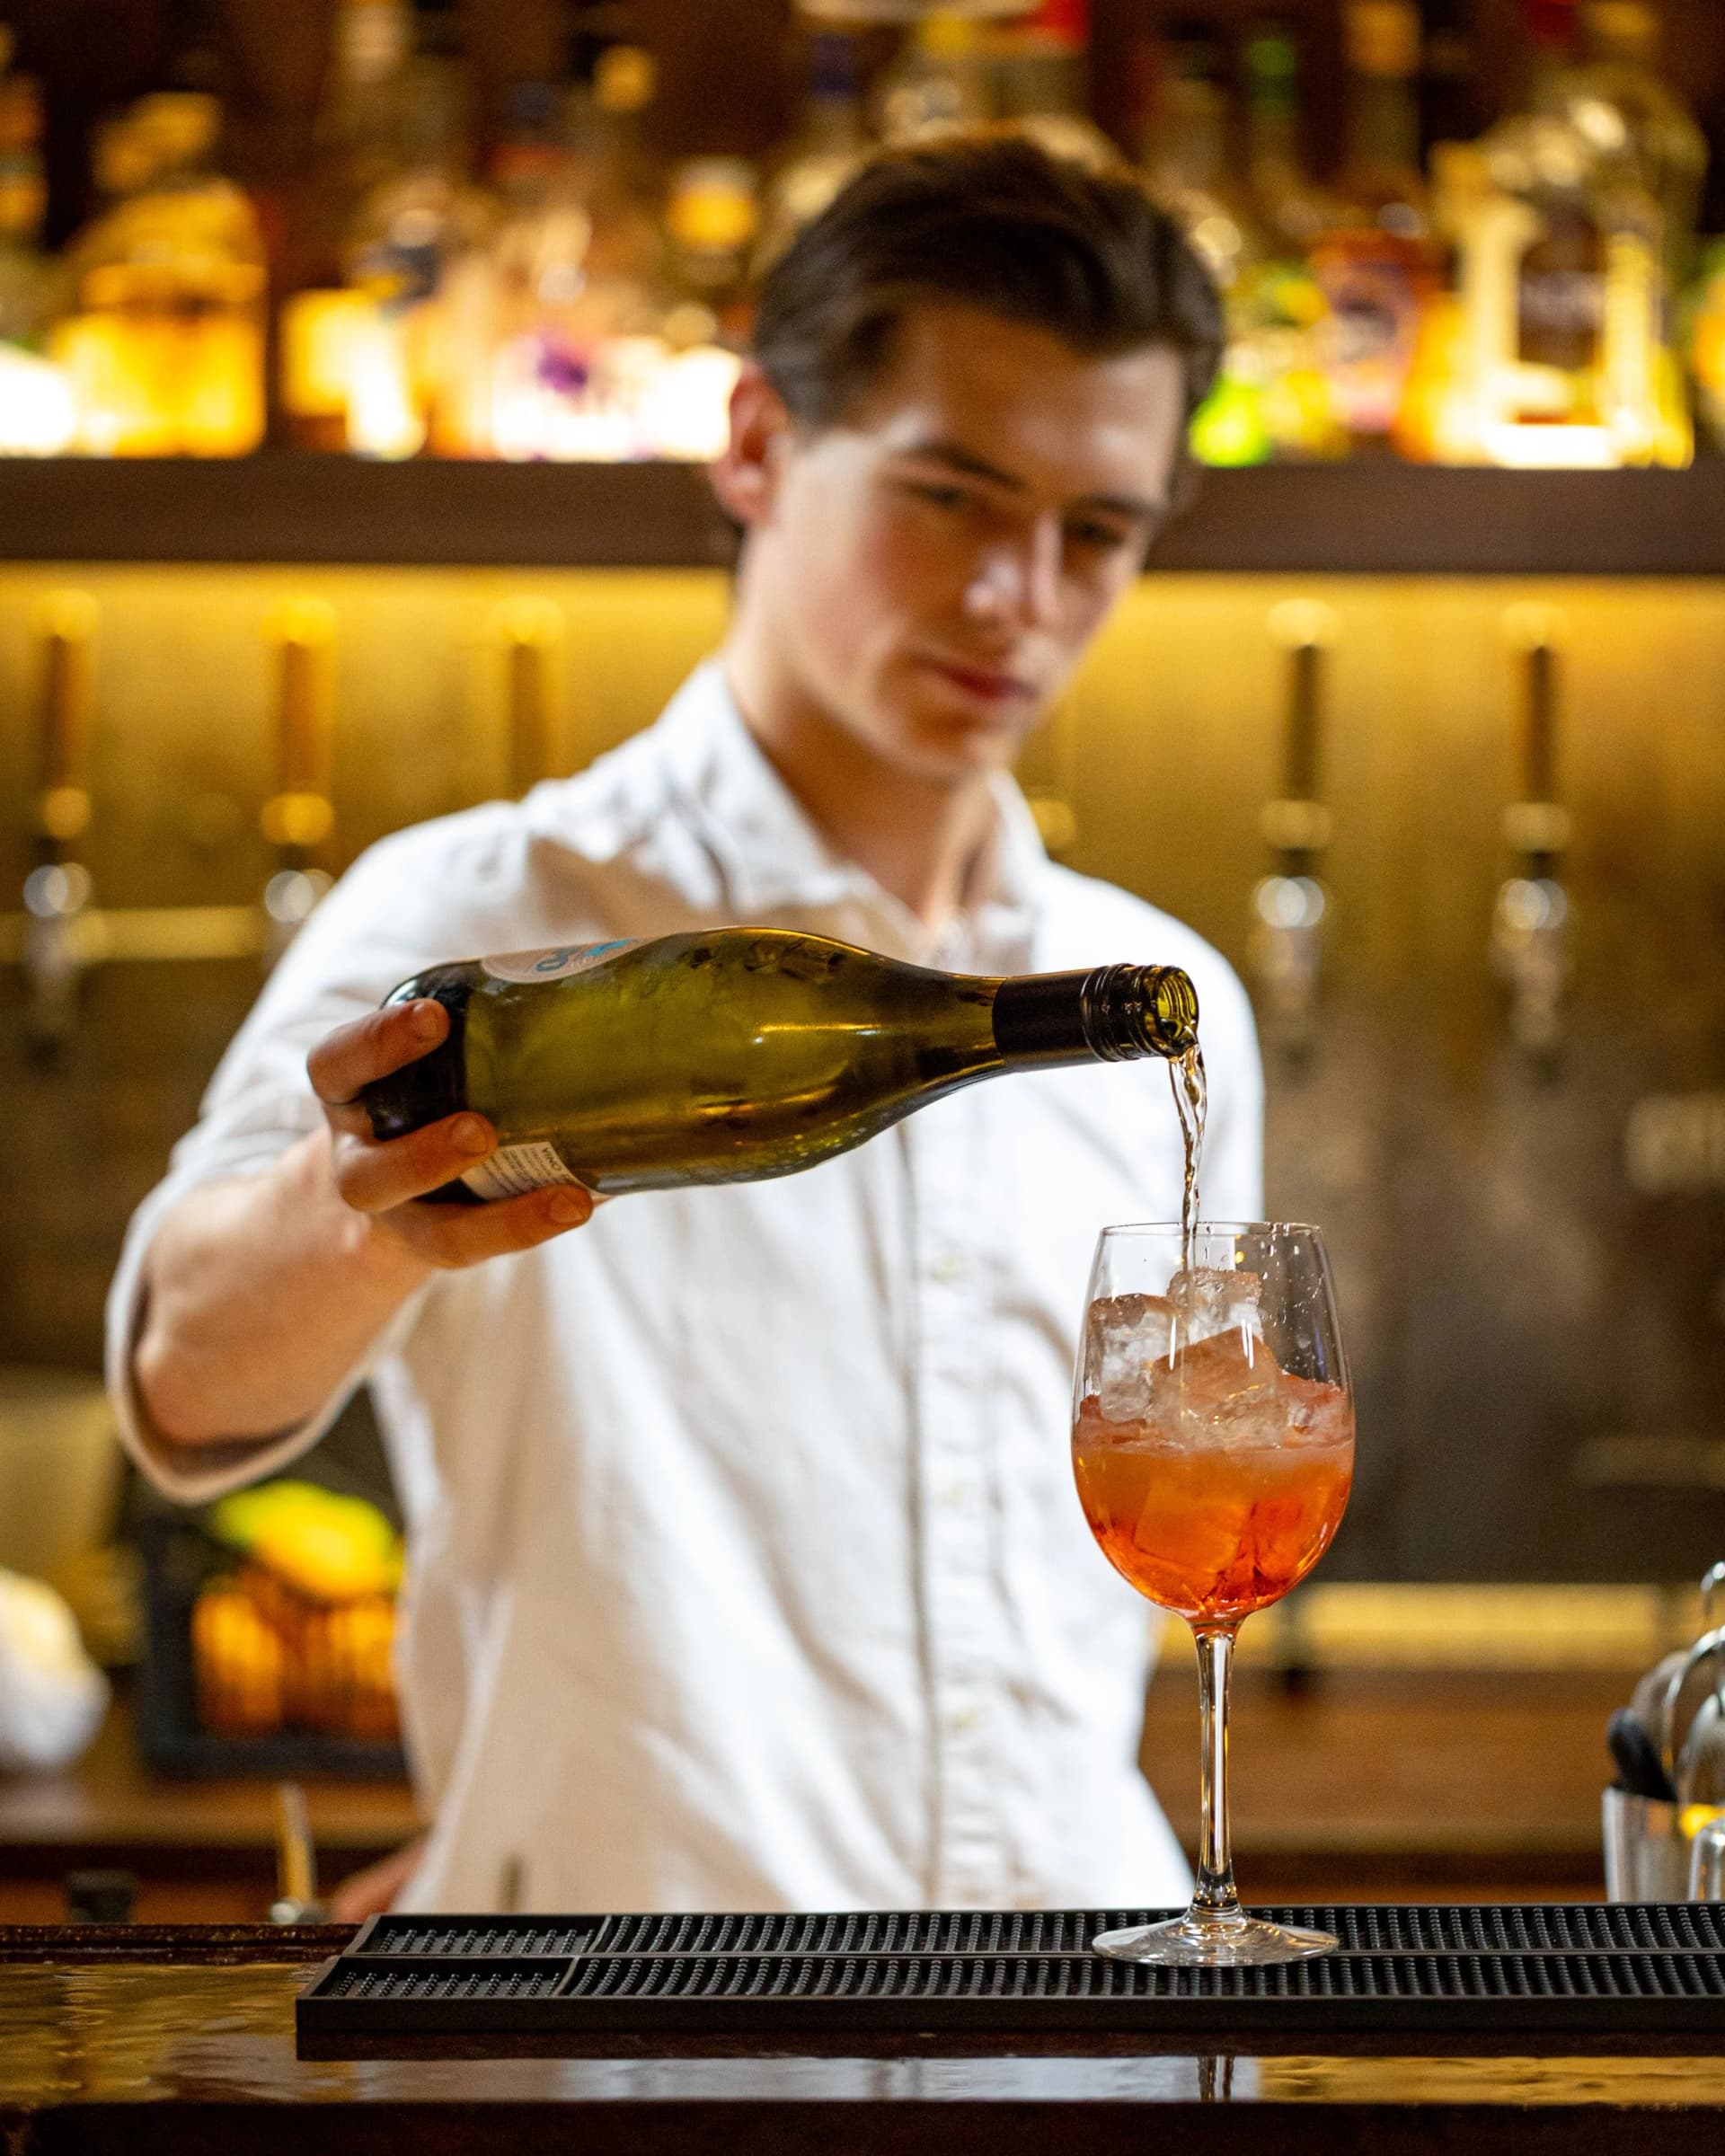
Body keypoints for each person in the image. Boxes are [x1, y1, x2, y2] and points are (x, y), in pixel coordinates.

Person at [108, 135, 1263, 1916]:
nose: (1017, 599)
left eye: (1094, 532)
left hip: (1077, 2032)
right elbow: (180, 1383)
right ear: (755, 444)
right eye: (949, 494)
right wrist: (350, 1214)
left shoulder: (1160, 1005)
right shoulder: (481, 928)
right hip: (632, 2052)